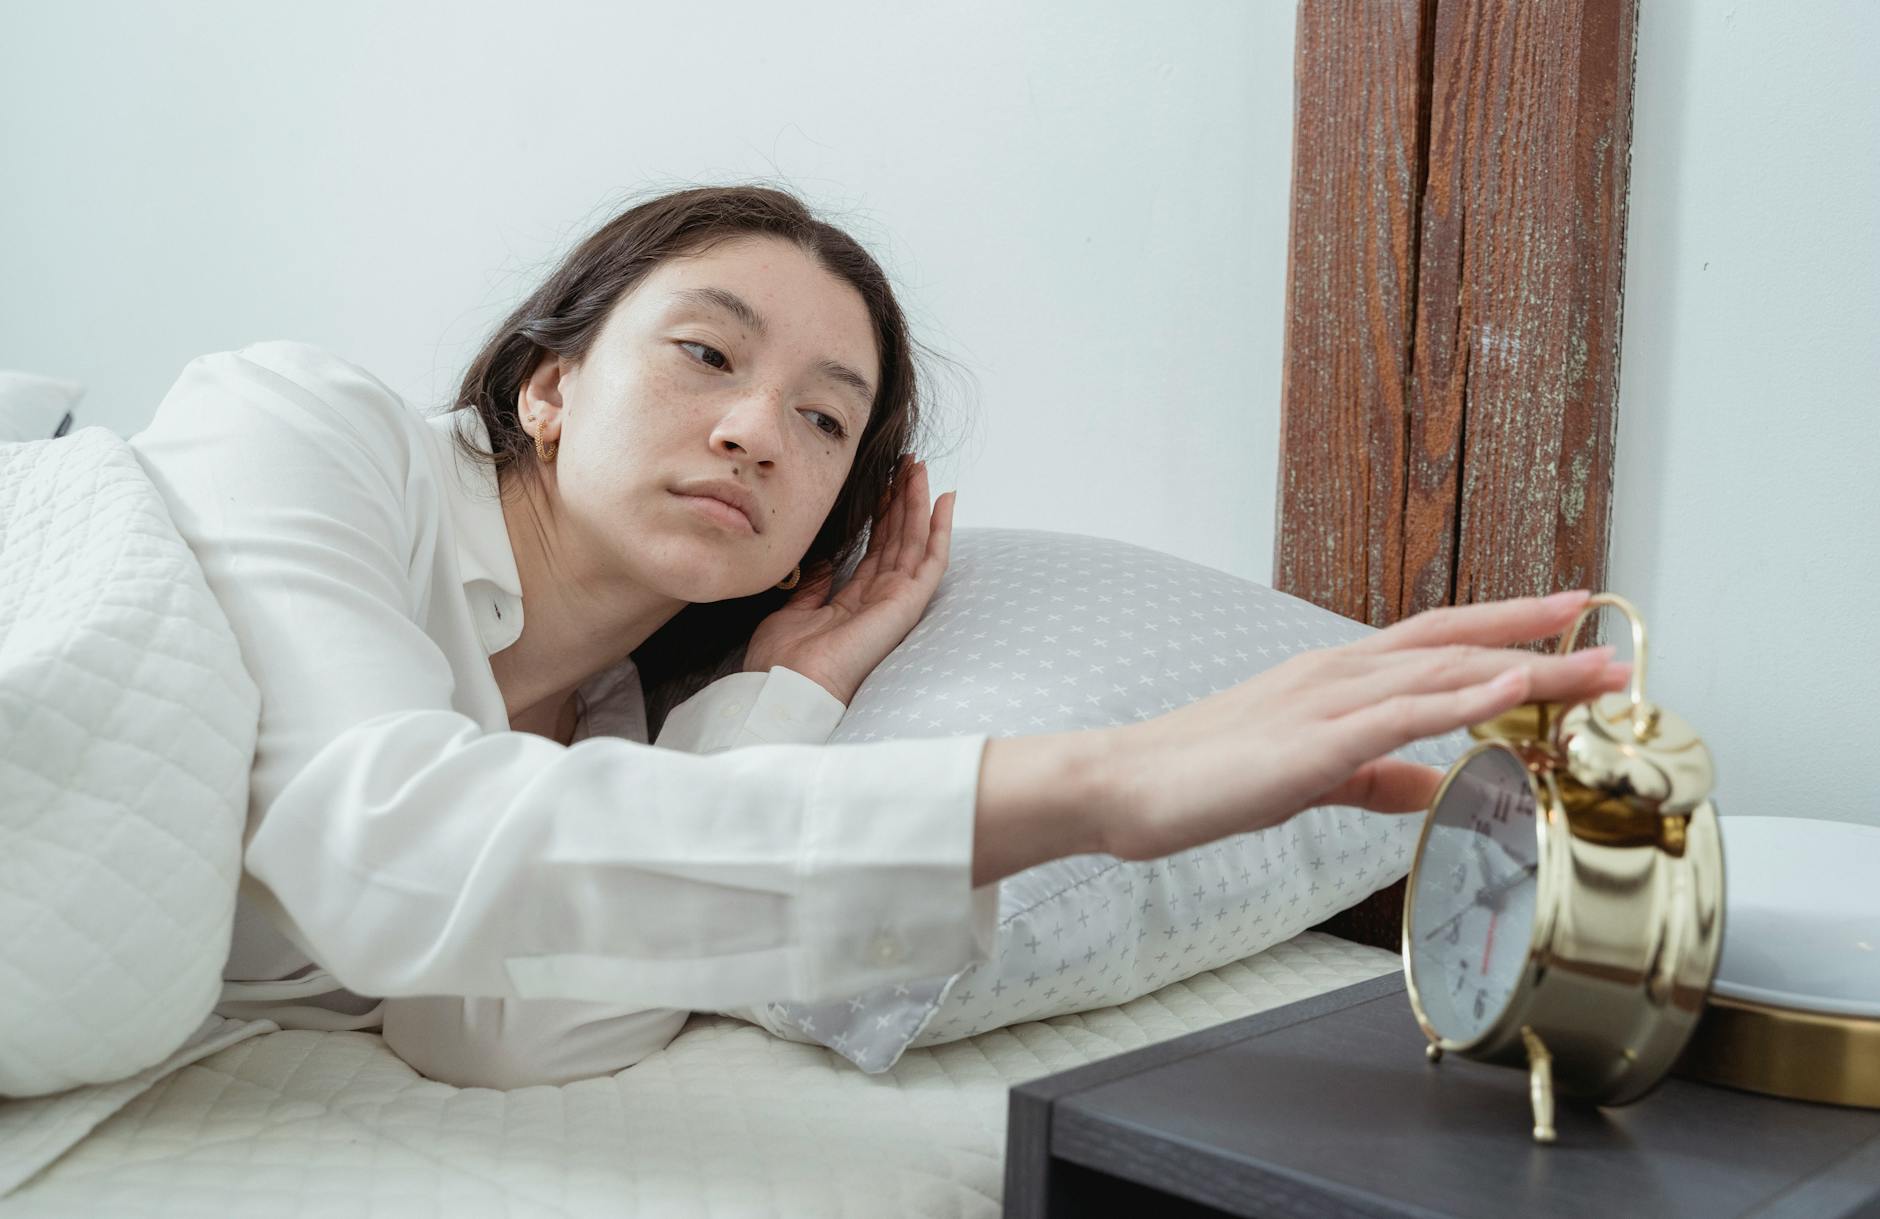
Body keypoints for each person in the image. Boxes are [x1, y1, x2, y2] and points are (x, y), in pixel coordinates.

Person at [128, 185, 1631, 1089]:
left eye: (824, 418)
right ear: (548, 385)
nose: (752, 430)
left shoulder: (615, 735)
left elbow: (494, 1042)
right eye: (706, 352)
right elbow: (385, 843)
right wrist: (1095, 783)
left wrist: (778, 704)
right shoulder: (299, 426)